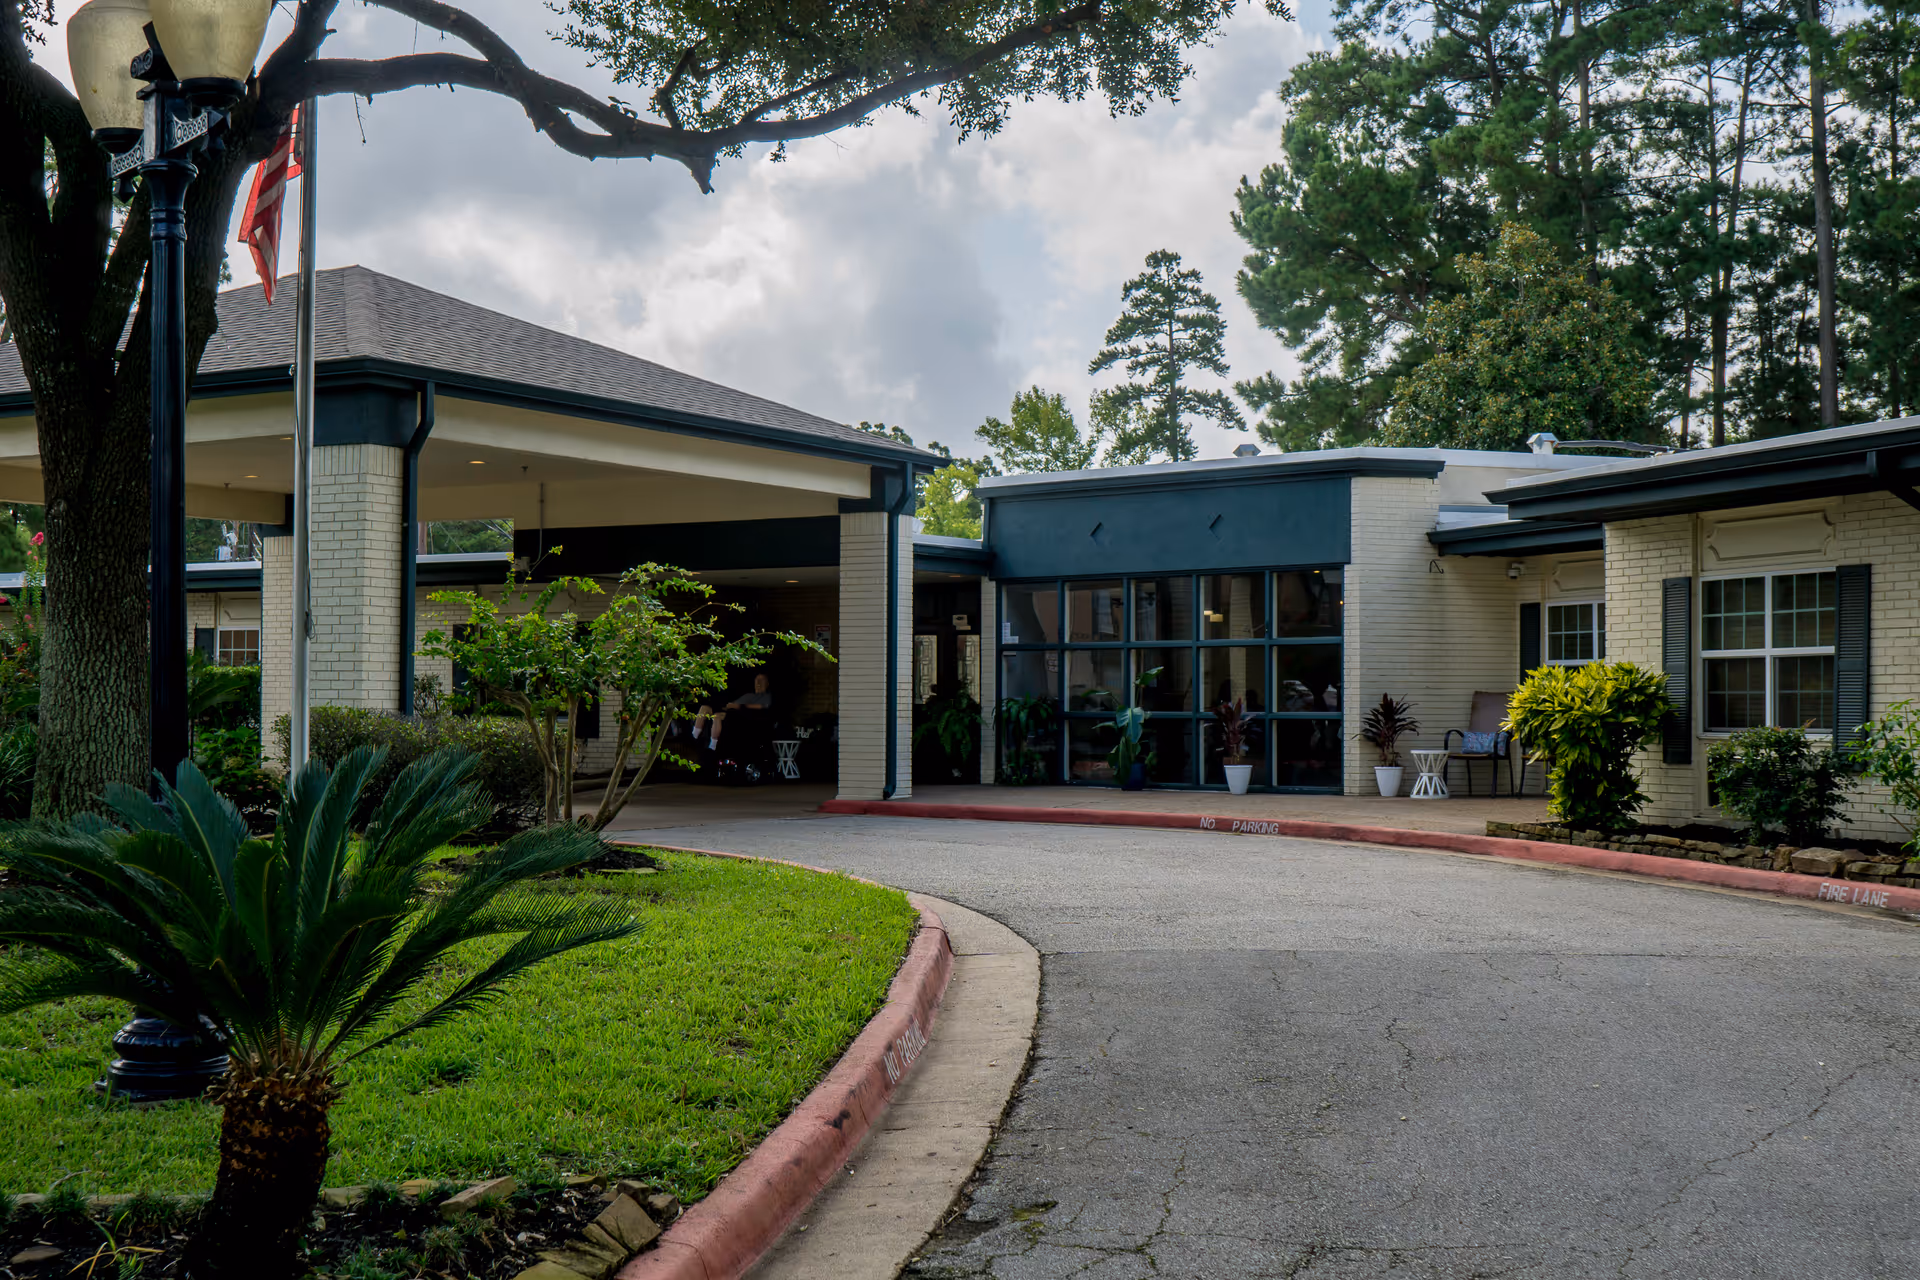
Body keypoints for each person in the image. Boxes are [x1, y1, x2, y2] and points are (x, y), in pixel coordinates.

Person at [691, 672, 773, 751]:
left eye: (761, 681)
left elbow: (761, 707)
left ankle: (713, 745)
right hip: (731, 713)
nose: (758, 683)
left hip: (744, 718)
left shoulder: (766, 696)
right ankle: (693, 736)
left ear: (767, 684)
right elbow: (733, 704)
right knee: (704, 708)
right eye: (757, 681)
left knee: (717, 715)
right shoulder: (749, 695)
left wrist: (739, 706)